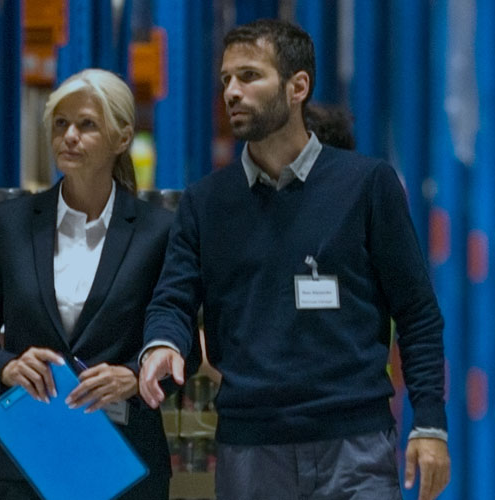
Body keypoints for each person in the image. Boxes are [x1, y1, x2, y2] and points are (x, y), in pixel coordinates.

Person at [135, 19, 452, 500]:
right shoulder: (206, 202)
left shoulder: (367, 186)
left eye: (249, 76)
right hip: (252, 452)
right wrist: (163, 343)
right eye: (226, 79)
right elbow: (173, 299)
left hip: (355, 447)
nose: (232, 91)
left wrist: (429, 424)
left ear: (297, 86)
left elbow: (417, 313)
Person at [0, 68, 175, 500]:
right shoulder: (8, 226)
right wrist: (7, 367)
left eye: (87, 125)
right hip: (34, 456)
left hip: (125, 460)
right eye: (60, 124)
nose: (69, 136)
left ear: (122, 138)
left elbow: (182, 350)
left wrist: (133, 377)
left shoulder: (158, 232)